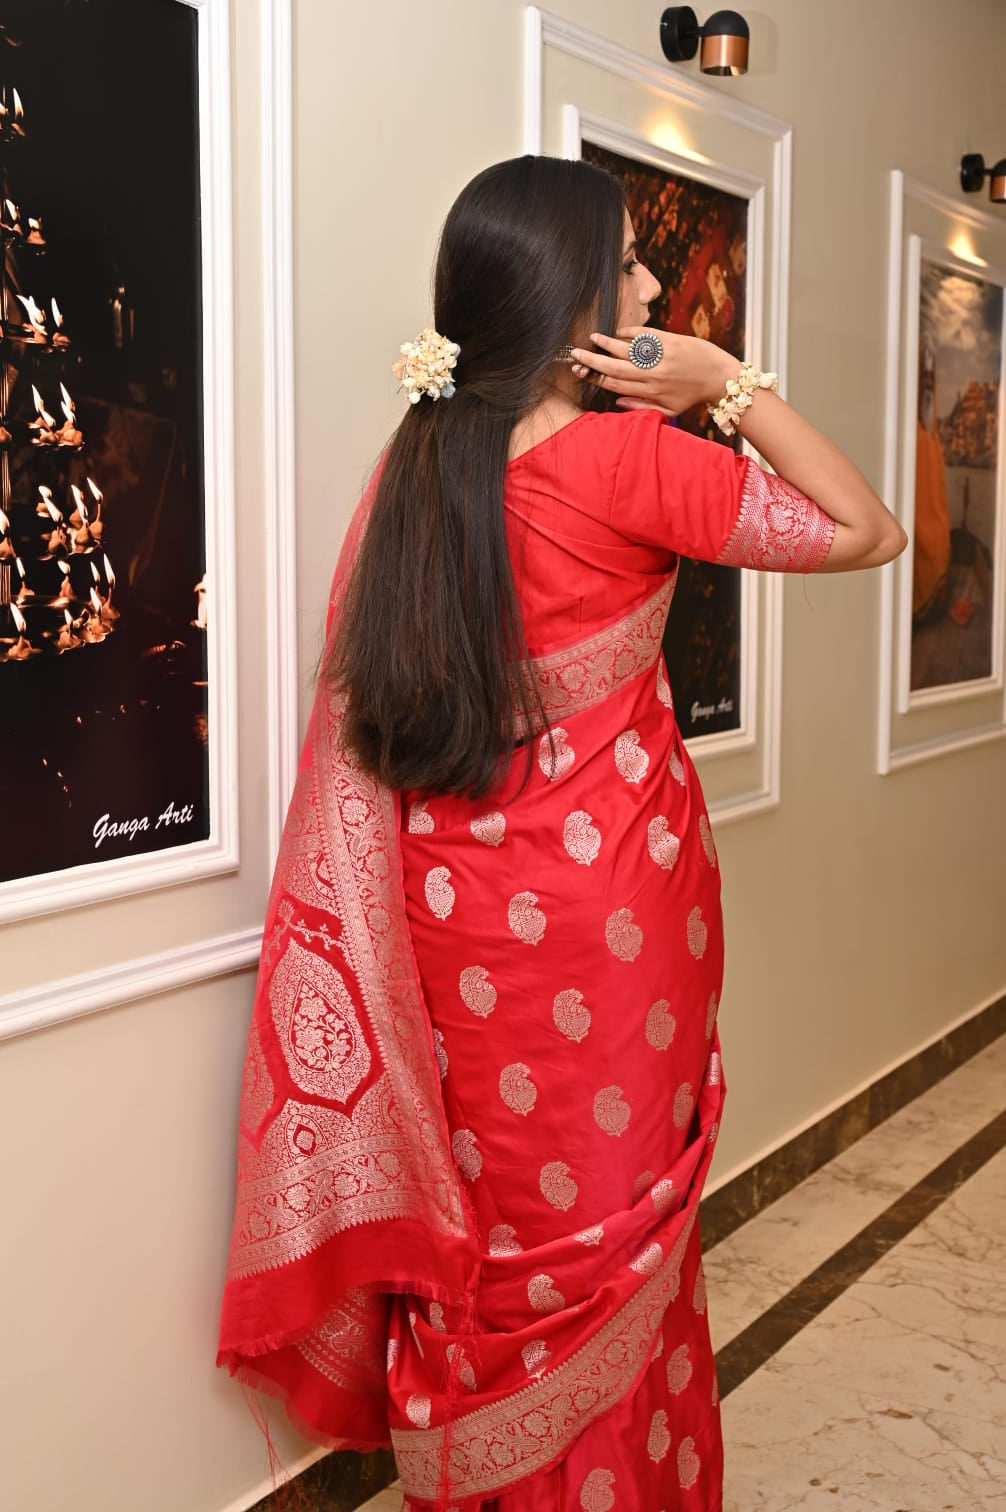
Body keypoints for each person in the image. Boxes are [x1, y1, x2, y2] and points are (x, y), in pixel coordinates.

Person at [216, 155, 906, 1512]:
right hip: (606, 946)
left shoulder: (420, 462)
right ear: (574, 295)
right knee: (607, 1246)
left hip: (447, 930)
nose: (652, 287)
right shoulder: (629, 459)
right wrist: (726, 381)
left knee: (498, 1235)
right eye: (632, 267)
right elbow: (866, 530)